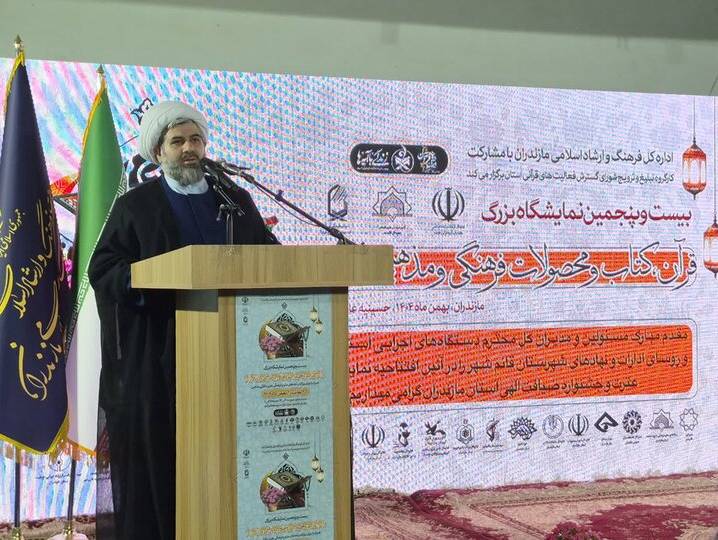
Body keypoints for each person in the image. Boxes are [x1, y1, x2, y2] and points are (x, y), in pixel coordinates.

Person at [88, 101, 278, 540]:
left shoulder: (235, 201)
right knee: (167, 458)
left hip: (233, 351)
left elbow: (270, 256)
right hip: (162, 354)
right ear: (159, 153)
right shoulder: (137, 206)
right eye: (177, 142)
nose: (189, 149)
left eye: (195, 140)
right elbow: (104, 269)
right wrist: (148, 281)